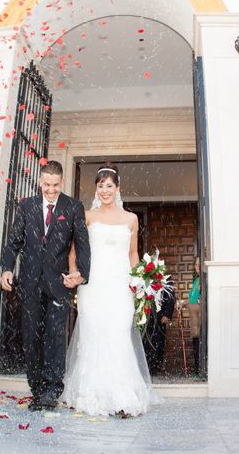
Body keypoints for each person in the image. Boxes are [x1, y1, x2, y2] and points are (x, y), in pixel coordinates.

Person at [61, 162, 156, 417]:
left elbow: (133, 253)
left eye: (109, 186)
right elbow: (74, 252)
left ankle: (122, 395)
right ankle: (91, 392)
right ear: (96, 189)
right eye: (100, 186)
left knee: (118, 333)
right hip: (93, 285)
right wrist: (74, 274)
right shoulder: (87, 216)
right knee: (94, 333)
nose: (105, 190)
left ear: (117, 188)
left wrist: (140, 282)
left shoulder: (131, 219)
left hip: (120, 285)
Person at [0, 160, 90, 411]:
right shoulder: (26, 206)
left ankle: (52, 389)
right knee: (31, 337)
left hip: (59, 284)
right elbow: (14, 242)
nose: (51, 190)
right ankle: (37, 390)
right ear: (40, 182)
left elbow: (82, 243)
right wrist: (7, 268)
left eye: (55, 185)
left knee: (55, 337)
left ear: (62, 182)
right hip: (29, 283)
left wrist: (81, 273)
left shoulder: (73, 207)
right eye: (46, 184)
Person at [143, 280, 175, 377]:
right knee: (146, 341)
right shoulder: (143, 274)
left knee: (158, 342)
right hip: (146, 314)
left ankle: (154, 368)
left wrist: (167, 315)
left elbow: (171, 297)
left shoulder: (167, 277)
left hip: (160, 316)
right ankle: (147, 368)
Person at [187, 256, 201, 376]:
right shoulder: (196, 280)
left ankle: (200, 372)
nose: (198, 267)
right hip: (194, 322)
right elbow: (192, 299)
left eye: (199, 264)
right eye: (196, 265)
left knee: (200, 346)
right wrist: (182, 302)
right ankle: (197, 371)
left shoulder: (204, 280)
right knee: (196, 345)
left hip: (200, 322)